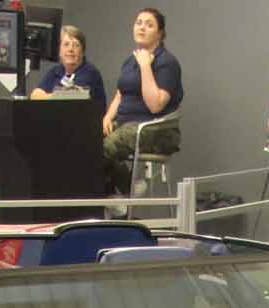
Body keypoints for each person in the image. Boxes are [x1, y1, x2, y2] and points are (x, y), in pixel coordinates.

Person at [101, 7, 183, 194]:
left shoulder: (167, 62)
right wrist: (107, 117)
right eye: (138, 23)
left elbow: (155, 105)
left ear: (160, 33)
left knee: (104, 148)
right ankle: (124, 188)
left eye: (149, 25)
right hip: (125, 125)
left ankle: (120, 190)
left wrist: (146, 67)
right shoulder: (130, 61)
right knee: (86, 142)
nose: (142, 28)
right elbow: (121, 94)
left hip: (154, 129)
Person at [30, 24, 105, 106]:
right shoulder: (56, 71)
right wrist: (56, 96)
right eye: (66, 44)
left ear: (83, 52)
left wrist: (47, 97)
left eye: (76, 45)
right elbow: (35, 95)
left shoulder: (89, 72)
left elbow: (70, 98)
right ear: (59, 50)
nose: (70, 49)